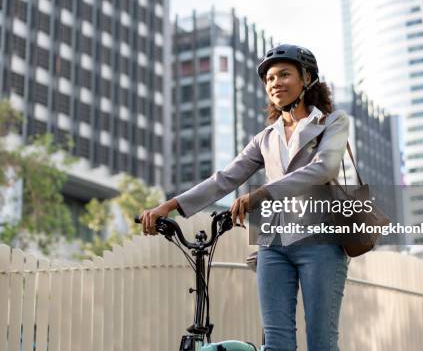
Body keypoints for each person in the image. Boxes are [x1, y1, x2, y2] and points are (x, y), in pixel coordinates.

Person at [139, 44, 350, 351]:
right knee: (276, 344)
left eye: (284, 74)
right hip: (273, 246)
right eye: (270, 79)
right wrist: (169, 206)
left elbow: (324, 168)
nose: (275, 83)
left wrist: (262, 194)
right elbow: (225, 178)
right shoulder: (265, 137)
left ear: (307, 79)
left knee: (321, 342)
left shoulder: (332, 122)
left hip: (320, 243)